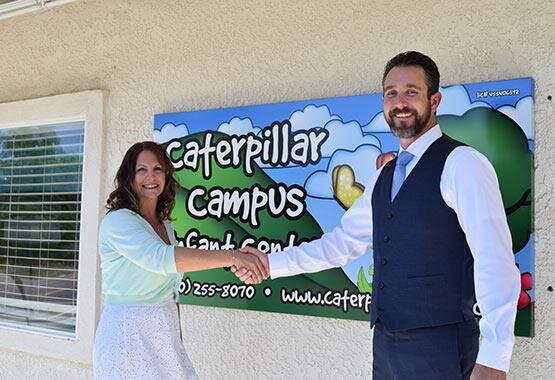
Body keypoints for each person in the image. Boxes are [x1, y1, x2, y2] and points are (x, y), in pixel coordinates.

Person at [237, 52, 521, 379]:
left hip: (442, 348)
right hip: (387, 346)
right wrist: (269, 264)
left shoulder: (463, 163)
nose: (400, 102)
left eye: (411, 92)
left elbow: (494, 259)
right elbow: (342, 243)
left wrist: (495, 356)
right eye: (391, 93)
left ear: (435, 99)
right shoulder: (384, 176)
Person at [93, 141, 267, 379]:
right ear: (129, 178)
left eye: (158, 169)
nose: (150, 176)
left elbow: (171, 292)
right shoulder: (119, 221)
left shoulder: (164, 226)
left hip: (164, 331)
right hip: (129, 333)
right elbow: (161, 260)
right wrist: (233, 256)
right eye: (141, 170)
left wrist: (175, 340)